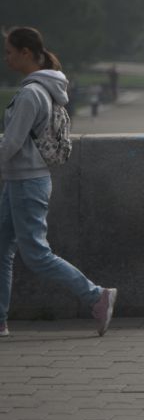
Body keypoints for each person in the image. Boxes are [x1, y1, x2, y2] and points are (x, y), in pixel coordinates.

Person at [1, 27, 116, 338]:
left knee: (37, 254)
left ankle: (97, 296)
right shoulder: (42, 89)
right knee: (2, 249)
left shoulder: (31, 93)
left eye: (9, 51)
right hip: (19, 181)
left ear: (26, 53)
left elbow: (11, 143)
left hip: (27, 182)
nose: (6, 57)